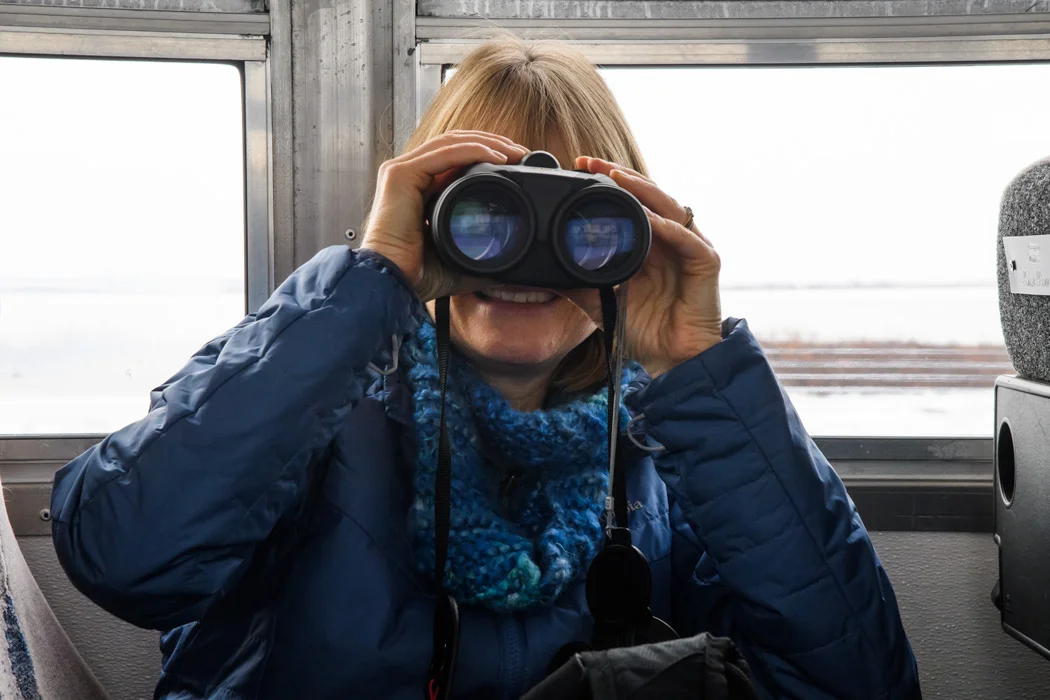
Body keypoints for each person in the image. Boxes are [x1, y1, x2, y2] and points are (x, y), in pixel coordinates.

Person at [49, 37, 921, 700]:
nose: (525, 261)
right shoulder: (309, 407)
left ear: (631, 244)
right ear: (421, 216)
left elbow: (858, 683)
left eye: (579, 227)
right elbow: (123, 557)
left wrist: (699, 370)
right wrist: (365, 289)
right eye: (485, 215)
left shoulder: (672, 459)